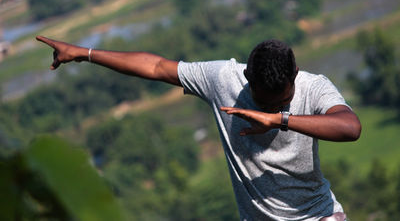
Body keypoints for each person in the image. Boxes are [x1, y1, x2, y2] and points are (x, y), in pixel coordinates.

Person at [36, 35, 361, 221]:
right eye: (266, 102)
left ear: (296, 74)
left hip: (319, 216)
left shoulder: (313, 87)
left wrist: (280, 119)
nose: (274, 107)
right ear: (248, 78)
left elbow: (350, 127)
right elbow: (157, 66)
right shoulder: (223, 80)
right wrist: (85, 53)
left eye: (282, 100)